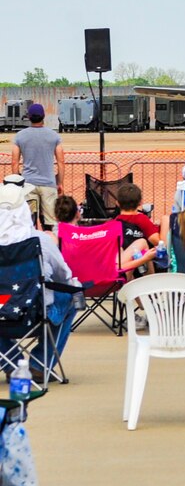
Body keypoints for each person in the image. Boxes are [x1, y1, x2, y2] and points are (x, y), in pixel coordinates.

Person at [0, 183, 79, 383]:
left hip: (3, 310)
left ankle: (12, 364)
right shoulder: (40, 240)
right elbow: (64, 275)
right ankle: (39, 365)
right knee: (70, 297)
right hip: (35, 311)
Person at [11, 103, 64, 231]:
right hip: (48, 184)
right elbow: (61, 161)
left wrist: (18, 181)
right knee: (50, 222)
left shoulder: (20, 136)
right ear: (43, 116)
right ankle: (50, 246)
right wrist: (60, 182)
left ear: (29, 117)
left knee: (29, 220)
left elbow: (14, 161)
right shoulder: (54, 136)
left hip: (28, 184)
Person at [114, 183, 158, 271]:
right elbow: (157, 242)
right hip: (140, 269)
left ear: (117, 203)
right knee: (166, 220)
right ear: (140, 202)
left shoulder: (115, 223)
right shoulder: (142, 219)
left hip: (124, 268)